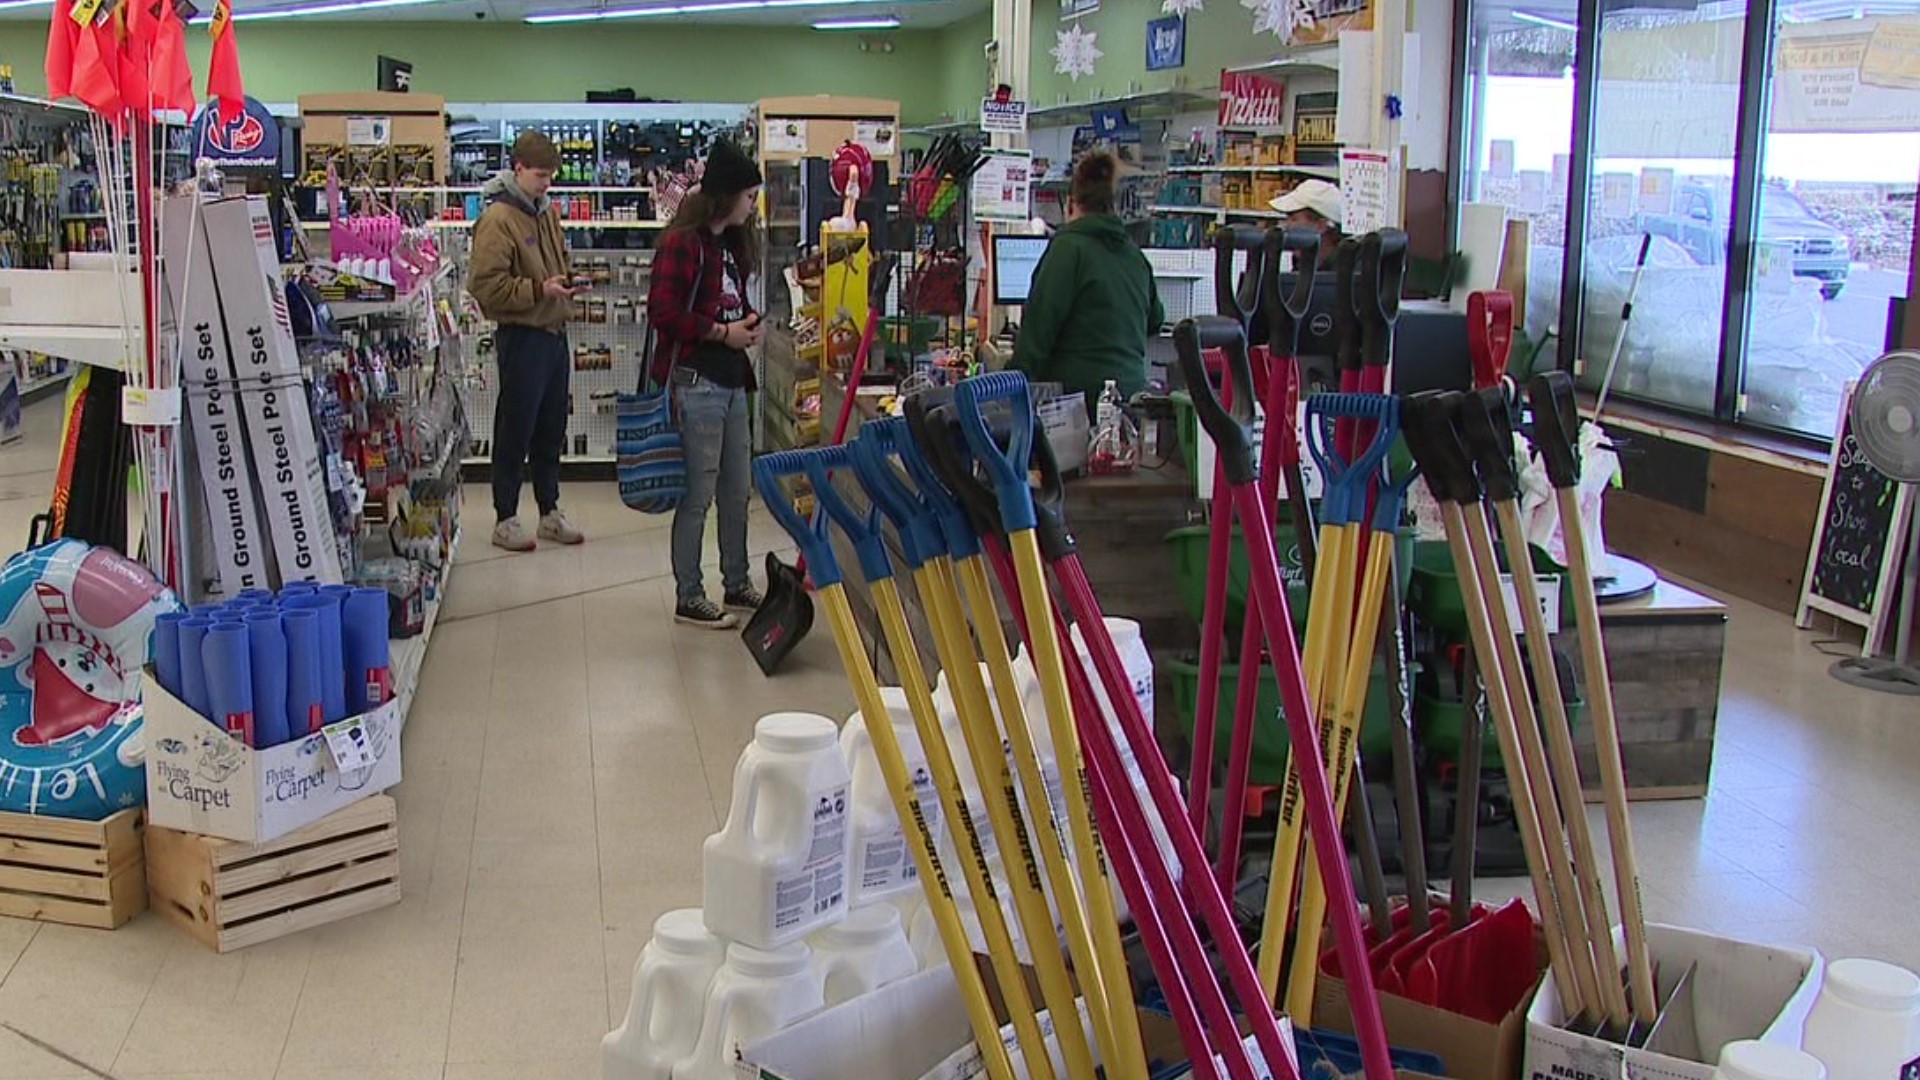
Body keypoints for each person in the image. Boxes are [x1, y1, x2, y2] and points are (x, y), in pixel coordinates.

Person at [648, 141, 765, 630]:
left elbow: (726, 303)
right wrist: (724, 333)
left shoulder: (731, 244)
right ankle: (689, 594)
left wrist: (747, 325)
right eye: (749, 195)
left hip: (734, 380)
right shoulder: (684, 243)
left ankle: (736, 582)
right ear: (727, 195)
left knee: (737, 491)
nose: (754, 204)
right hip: (697, 383)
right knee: (698, 494)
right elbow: (664, 312)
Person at [469, 129, 586, 553]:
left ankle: (549, 511)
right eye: (540, 175)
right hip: (522, 336)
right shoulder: (498, 220)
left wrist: (568, 283)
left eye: (551, 176)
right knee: (515, 428)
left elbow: (559, 261)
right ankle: (505, 517)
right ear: (517, 169)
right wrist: (539, 290)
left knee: (552, 427)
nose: (546, 183)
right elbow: (486, 287)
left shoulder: (546, 212)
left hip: (554, 333)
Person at [1011, 151, 1164, 400]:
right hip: (1133, 396)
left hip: (1077, 401)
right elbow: (1155, 319)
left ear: (1070, 204)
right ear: (1111, 206)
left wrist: (1007, 384)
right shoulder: (1134, 255)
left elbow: (1038, 335)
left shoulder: (1068, 249)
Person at [1269, 178, 1345, 269]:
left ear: (1321, 225)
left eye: (1293, 219)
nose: (1285, 226)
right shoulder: (1298, 263)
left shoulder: (1348, 274)